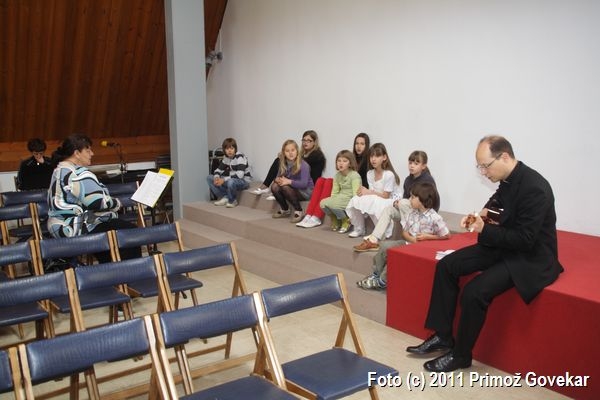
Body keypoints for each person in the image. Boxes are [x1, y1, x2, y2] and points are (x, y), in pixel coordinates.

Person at [406, 135, 563, 373]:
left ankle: (461, 356)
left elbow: (525, 240)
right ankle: (443, 336)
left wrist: (484, 229)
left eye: (485, 166)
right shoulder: (508, 179)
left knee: (474, 292)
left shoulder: (536, 188)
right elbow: (496, 204)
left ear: (505, 157)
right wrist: (479, 216)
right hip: (504, 244)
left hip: (529, 257)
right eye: (479, 167)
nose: (483, 172)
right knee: (447, 265)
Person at [47, 134, 141, 263]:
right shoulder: (76, 173)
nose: (92, 153)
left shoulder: (60, 169)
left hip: (61, 225)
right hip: (73, 227)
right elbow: (96, 202)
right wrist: (117, 203)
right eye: (88, 150)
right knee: (130, 233)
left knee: (114, 230)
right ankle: (127, 271)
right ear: (77, 153)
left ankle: (111, 267)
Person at [357, 182, 449, 290]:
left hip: (422, 249)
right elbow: (404, 233)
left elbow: (446, 235)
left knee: (395, 255)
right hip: (408, 243)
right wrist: (412, 239)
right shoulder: (412, 213)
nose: (410, 200)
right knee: (384, 246)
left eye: (413, 197)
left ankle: (382, 281)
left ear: (422, 199)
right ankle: (376, 274)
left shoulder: (434, 217)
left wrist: (428, 237)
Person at [353, 150, 438, 251]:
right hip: (411, 211)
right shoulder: (408, 180)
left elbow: (431, 202)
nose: (412, 166)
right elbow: (406, 199)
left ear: (423, 166)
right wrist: (399, 203)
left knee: (403, 203)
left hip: (423, 213)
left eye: (416, 163)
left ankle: (411, 234)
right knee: (389, 209)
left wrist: (404, 202)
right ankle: (373, 240)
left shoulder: (428, 180)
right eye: (410, 163)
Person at [296, 133, 367, 229]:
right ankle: (309, 215)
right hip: (341, 193)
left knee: (329, 182)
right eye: (357, 143)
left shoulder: (364, 165)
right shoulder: (342, 167)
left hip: (354, 194)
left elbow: (359, 189)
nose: (358, 146)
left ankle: (321, 217)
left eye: (362, 144)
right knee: (322, 184)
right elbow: (336, 189)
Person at [345, 143, 401, 238]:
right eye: (371, 156)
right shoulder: (370, 173)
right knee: (356, 199)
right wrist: (362, 192)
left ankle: (378, 233)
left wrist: (368, 192)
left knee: (374, 201)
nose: (373, 159)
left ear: (384, 157)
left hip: (391, 201)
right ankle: (359, 229)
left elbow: (386, 196)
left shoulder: (389, 174)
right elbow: (371, 193)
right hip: (378, 198)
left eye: (377, 156)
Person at [251, 130, 325, 198]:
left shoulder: (318, 156)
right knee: (279, 160)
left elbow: (312, 177)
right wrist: (284, 156)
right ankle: (266, 185)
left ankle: (276, 190)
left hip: (307, 185)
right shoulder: (302, 154)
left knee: (284, 164)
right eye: (304, 140)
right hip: (296, 179)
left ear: (314, 142)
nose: (305, 142)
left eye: (309, 140)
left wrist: (289, 180)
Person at [270, 139, 314, 223]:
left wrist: (288, 181)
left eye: (293, 150)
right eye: (287, 151)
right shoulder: (283, 163)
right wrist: (277, 179)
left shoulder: (304, 165)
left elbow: (304, 184)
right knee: (274, 186)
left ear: (297, 151)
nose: (290, 153)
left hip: (305, 192)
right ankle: (285, 209)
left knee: (285, 187)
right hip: (293, 188)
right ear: (284, 153)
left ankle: (298, 210)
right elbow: (278, 176)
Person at [319, 150, 362, 233]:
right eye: (339, 161)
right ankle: (335, 219)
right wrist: (331, 201)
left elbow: (355, 194)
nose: (341, 163)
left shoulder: (355, 176)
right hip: (340, 197)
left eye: (344, 161)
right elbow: (334, 192)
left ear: (350, 163)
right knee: (322, 203)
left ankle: (345, 220)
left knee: (334, 204)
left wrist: (353, 208)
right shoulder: (337, 175)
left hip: (350, 199)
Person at [207, 137, 251, 208]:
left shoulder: (240, 157)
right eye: (227, 149)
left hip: (243, 181)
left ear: (235, 149)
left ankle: (232, 201)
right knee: (209, 178)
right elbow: (218, 170)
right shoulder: (227, 158)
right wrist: (216, 178)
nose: (229, 151)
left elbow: (240, 175)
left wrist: (223, 179)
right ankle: (226, 197)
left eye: (232, 148)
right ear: (224, 150)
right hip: (232, 179)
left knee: (231, 181)